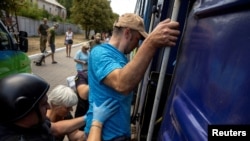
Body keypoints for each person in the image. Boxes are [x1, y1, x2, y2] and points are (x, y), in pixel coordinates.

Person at [84, 13, 180, 140]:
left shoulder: (120, 57)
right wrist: (150, 43)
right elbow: (121, 83)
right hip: (105, 137)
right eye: (138, 39)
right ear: (127, 33)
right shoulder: (100, 53)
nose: (138, 44)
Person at [0, 73, 119, 141]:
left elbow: (55, 128)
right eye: (43, 104)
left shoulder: (35, 123)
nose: (48, 106)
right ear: (24, 109)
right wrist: (97, 123)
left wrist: (89, 117)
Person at [74, 42, 90, 130]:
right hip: (80, 70)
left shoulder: (88, 53)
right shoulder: (79, 52)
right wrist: (81, 61)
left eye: (87, 49)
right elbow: (75, 59)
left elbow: (90, 59)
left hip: (87, 69)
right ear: (82, 48)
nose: (86, 50)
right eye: (85, 49)